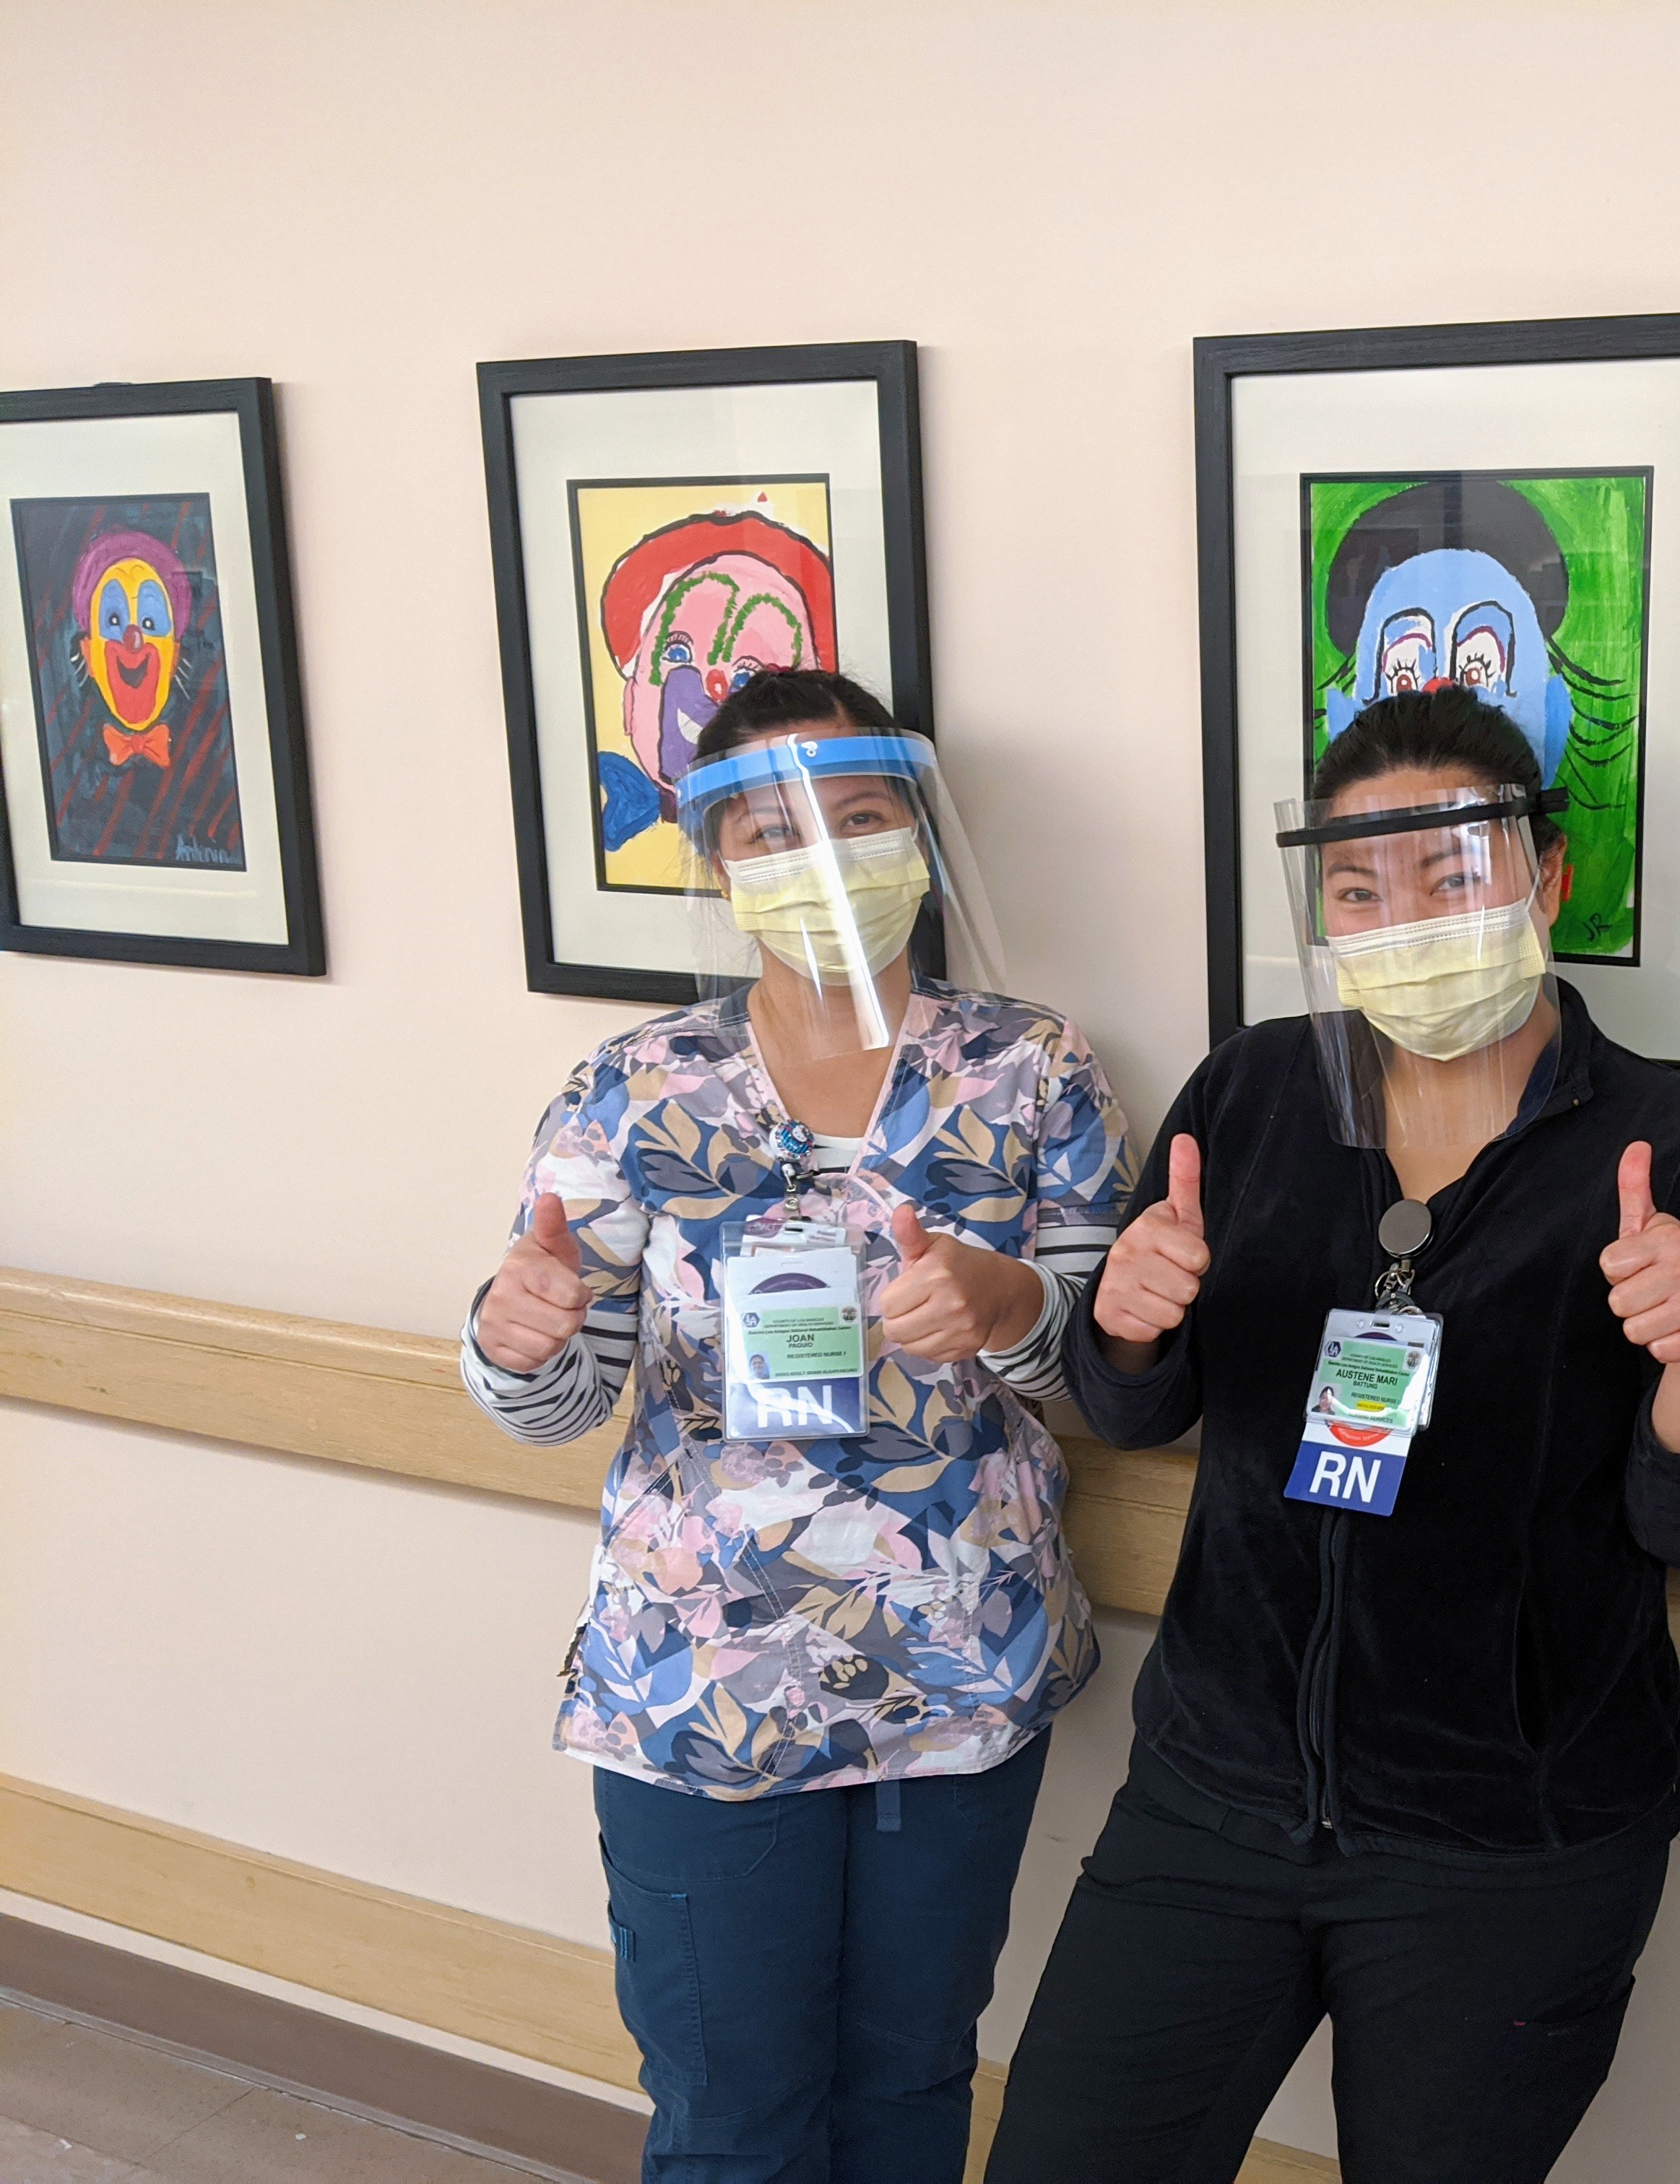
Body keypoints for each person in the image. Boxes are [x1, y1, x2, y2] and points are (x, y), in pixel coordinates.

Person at [982, 685, 1680, 2184]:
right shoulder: (1253, 1095)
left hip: (1511, 1838)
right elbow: (1135, 1407)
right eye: (1359, 888)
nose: (1406, 918)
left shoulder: (1677, 1152)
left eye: (1453, 873)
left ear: (1546, 879)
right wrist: (1129, 1318)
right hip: (1212, 1788)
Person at [460, 667, 1133, 2183]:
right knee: (733, 2123)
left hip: (956, 1673)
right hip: (703, 1689)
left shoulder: (1032, 1070)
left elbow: (1109, 1377)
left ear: (920, 835)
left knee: (909, 2094)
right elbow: (559, 1398)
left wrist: (1009, 1304)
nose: (826, 858)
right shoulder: (633, 1092)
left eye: (862, 816)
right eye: (773, 829)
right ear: (715, 862)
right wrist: (518, 1340)